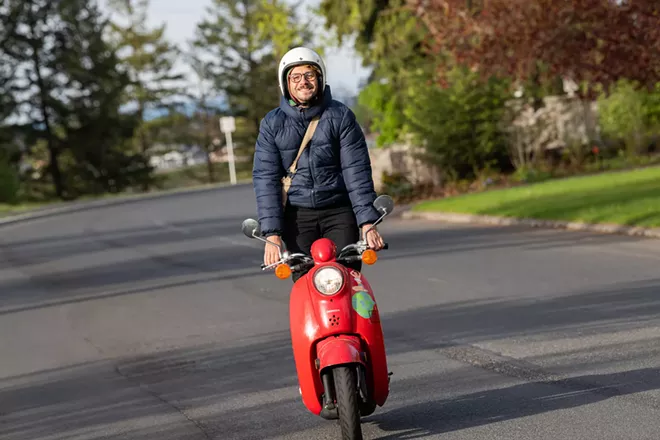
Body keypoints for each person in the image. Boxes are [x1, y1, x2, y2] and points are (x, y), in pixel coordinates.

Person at [252, 46, 385, 281]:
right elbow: (266, 179)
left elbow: (356, 170)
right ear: (286, 83)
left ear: (320, 78)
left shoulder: (341, 116)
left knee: (349, 280)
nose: (303, 81)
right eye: (295, 77)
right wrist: (272, 235)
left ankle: (362, 319)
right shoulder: (272, 124)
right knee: (305, 284)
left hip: (339, 211)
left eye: (309, 75)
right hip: (298, 217)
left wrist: (367, 222)